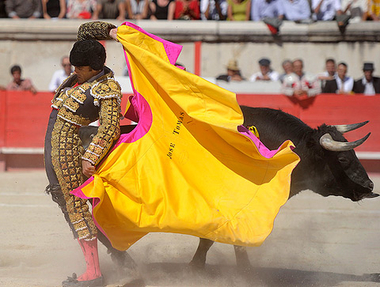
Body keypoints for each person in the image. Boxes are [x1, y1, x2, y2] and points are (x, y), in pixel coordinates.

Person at [43, 22, 129, 287]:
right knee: (68, 205)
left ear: (94, 68)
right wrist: (112, 32)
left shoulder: (107, 87)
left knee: (77, 208)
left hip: (70, 149)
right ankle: (109, 263)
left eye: (79, 68)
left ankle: (94, 272)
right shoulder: (86, 61)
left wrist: (90, 157)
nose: (74, 71)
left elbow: (111, 126)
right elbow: (85, 30)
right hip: (56, 146)